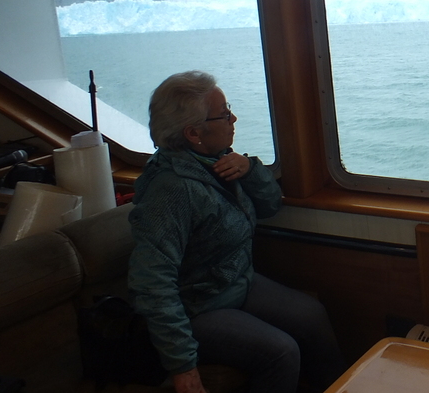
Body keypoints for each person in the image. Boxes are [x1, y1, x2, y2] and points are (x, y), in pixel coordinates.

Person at [128, 71, 345, 393]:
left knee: (311, 316)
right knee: (281, 351)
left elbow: (271, 207)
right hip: (198, 307)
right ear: (193, 133)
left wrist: (250, 170)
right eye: (224, 113)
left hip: (235, 282)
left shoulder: (216, 162)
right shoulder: (171, 190)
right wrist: (182, 365)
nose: (234, 118)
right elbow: (152, 284)